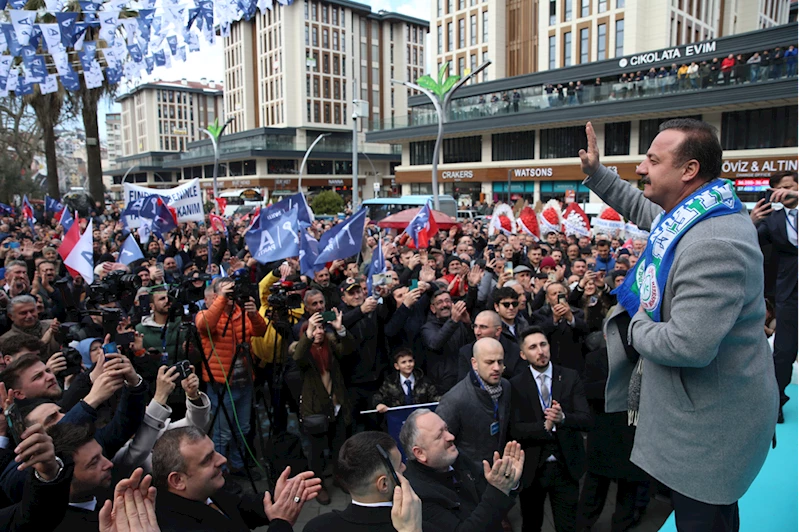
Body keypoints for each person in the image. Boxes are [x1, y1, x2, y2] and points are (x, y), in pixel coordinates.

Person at [578, 119, 778, 529]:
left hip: (708, 440)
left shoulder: (712, 243)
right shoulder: (698, 213)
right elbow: (644, 209)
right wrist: (597, 174)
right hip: (704, 427)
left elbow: (688, 344)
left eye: (653, 159)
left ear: (688, 170)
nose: (640, 168)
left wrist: (634, 325)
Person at [152, 426, 321, 531]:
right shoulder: (175, 525)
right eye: (207, 459)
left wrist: (277, 498)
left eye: (215, 451)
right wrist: (281, 523)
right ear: (177, 481)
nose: (222, 460)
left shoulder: (204, 489)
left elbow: (238, 508)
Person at [509, 326, 592, 532]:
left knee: (568, 525)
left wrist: (563, 418)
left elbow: (586, 420)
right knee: (531, 523)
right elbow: (514, 429)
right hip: (532, 470)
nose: (540, 351)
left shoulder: (570, 377)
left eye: (543, 344)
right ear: (523, 354)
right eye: (533, 347)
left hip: (566, 466)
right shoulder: (515, 385)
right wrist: (543, 427)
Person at [400, 408, 524, 532]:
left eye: (446, 429)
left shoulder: (456, 457)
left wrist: (508, 480)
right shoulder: (417, 496)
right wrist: (498, 489)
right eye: (439, 436)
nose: (451, 437)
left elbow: (493, 496)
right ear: (420, 453)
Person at [196, 277, 267, 477]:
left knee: (243, 429)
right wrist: (221, 299)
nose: (231, 297)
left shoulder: (241, 312)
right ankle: (221, 473)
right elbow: (205, 327)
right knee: (222, 433)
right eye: (227, 293)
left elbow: (260, 331)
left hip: (244, 381)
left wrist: (253, 314)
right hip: (221, 385)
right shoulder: (205, 314)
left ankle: (238, 466)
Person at [750, 170, 798, 424]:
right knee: (784, 351)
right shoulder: (773, 220)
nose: (786, 193)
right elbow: (747, 242)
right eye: (781, 189)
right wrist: (752, 221)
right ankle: (776, 400)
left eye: (791, 188)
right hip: (788, 293)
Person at [292, 309, 353, 505]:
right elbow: (298, 356)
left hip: (336, 405)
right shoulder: (301, 349)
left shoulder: (331, 345)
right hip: (315, 409)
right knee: (316, 452)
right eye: (314, 328)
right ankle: (318, 487)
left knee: (339, 447)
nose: (319, 331)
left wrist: (340, 329)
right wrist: (308, 334)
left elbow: (349, 350)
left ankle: (338, 477)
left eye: (320, 328)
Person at [304, 431, 412, 532]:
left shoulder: (316, 527)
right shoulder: (415, 526)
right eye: (399, 466)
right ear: (383, 484)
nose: (404, 467)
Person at [436, 337, 511, 474]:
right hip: (470, 478)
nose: (496, 368)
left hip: (499, 471)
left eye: (500, 362)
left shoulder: (505, 387)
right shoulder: (455, 399)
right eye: (489, 362)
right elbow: (441, 445)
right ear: (474, 363)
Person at [48, 422, 114, 530]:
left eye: (102, 455)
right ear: (66, 477)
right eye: (93, 463)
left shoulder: (113, 490)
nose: (109, 464)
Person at [420, 289, 474, 394]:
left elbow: (473, 345)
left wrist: (468, 324)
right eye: (439, 302)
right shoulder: (427, 328)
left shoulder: (460, 324)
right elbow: (435, 343)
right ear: (433, 308)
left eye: (448, 301)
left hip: (465, 379)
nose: (445, 305)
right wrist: (453, 321)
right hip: (442, 384)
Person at [372, 347, 439, 412]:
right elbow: (378, 396)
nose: (408, 364)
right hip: (398, 418)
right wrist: (379, 404)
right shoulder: (390, 382)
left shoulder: (424, 381)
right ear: (397, 366)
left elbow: (435, 397)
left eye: (410, 361)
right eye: (403, 362)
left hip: (421, 418)